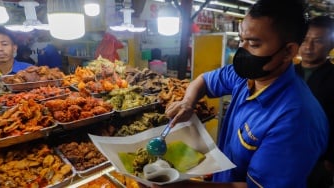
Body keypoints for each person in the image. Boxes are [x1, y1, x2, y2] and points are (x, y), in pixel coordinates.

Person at [140, 0, 329, 187]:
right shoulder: (247, 76)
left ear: (288, 51)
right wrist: (187, 103)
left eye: (254, 44)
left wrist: (183, 186)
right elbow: (203, 81)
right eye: (241, 40)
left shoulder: (296, 120)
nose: (242, 50)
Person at [295, 15, 334, 188]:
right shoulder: (285, 74)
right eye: (304, 40)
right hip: (283, 152)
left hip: (318, 160)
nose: (308, 47)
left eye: (317, 41)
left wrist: (331, 160)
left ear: (331, 45)